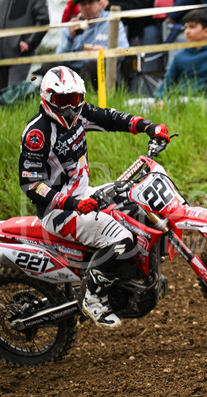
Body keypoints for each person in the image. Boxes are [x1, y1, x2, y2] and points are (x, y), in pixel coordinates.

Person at [19, 66, 170, 329]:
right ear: (47, 98)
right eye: (63, 100)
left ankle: (131, 276)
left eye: (75, 99)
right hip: (58, 210)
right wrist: (73, 204)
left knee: (138, 203)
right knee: (122, 239)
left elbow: (112, 118)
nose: (70, 107)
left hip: (84, 195)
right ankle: (93, 297)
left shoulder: (80, 114)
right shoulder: (38, 133)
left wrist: (149, 127)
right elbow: (31, 185)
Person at [155, 9, 207, 107]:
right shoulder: (180, 56)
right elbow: (167, 82)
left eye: (192, 27)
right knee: (138, 104)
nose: (187, 32)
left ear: (206, 31)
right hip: (177, 100)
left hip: (205, 101)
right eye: (185, 27)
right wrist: (160, 99)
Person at [0, 0, 49, 105]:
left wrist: (29, 43)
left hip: (20, 56)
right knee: (1, 101)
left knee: (13, 99)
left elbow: (43, 22)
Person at [55, 0, 130, 88]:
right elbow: (59, 58)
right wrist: (70, 39)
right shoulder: (72, 24)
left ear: (100, 4)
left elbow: (125, 50)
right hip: (73, 70)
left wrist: (103, 51)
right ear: (79, 7)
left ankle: (77, 93)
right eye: (83, 4)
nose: (87, 7)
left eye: (90, 3)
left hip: (99, 69)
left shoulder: (111, 21)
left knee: (90, 67)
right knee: (49, 67)